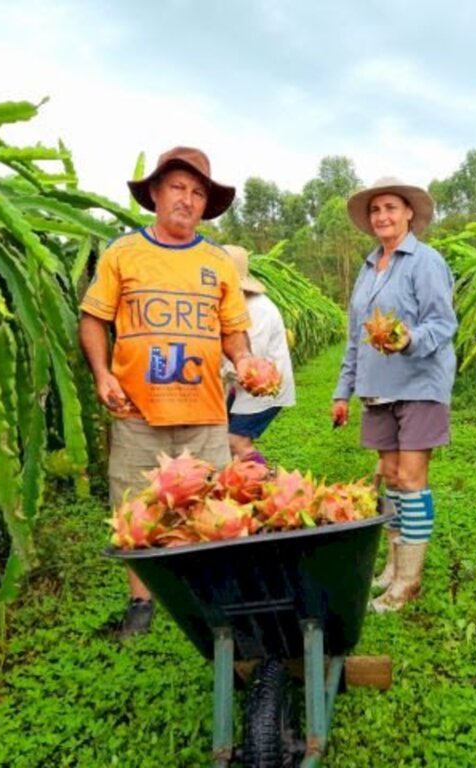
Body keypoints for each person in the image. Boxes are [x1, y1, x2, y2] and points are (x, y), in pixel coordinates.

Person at [79, 146, 266, 638]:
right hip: (138, 411)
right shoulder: (122, 253)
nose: (187, 199)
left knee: (212, 504)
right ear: (156, 195)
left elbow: (232, 331)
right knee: (135, 509)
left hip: (204, 412)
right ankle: (142, 603)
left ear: (206, 204)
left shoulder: (218, 262)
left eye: (198, 192)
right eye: (178, 188)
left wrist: (244, 359)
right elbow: (94, 318)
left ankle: (212, 596)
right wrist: (103, 373)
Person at [331, 177, 457, 613]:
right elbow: (354, 337)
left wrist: (408, 340)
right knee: (387, 472)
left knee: (410, 477)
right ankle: (392, 563)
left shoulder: (425, 262)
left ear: (408, 214)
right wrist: (342, 390)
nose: (382, 216)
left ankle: (409, 580)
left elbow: (443, 324)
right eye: (375, 210)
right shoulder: (369, 269)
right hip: (376, 388)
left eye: (390, 208)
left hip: (420, 384)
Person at [221, 245, 296, 463]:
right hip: (240, 388)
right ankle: (241, 487)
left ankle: (269, 483)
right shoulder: (233, 305)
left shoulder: (258, 309)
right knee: (223, 443)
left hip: (265, 390)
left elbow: (253, 366)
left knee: (235, 441)